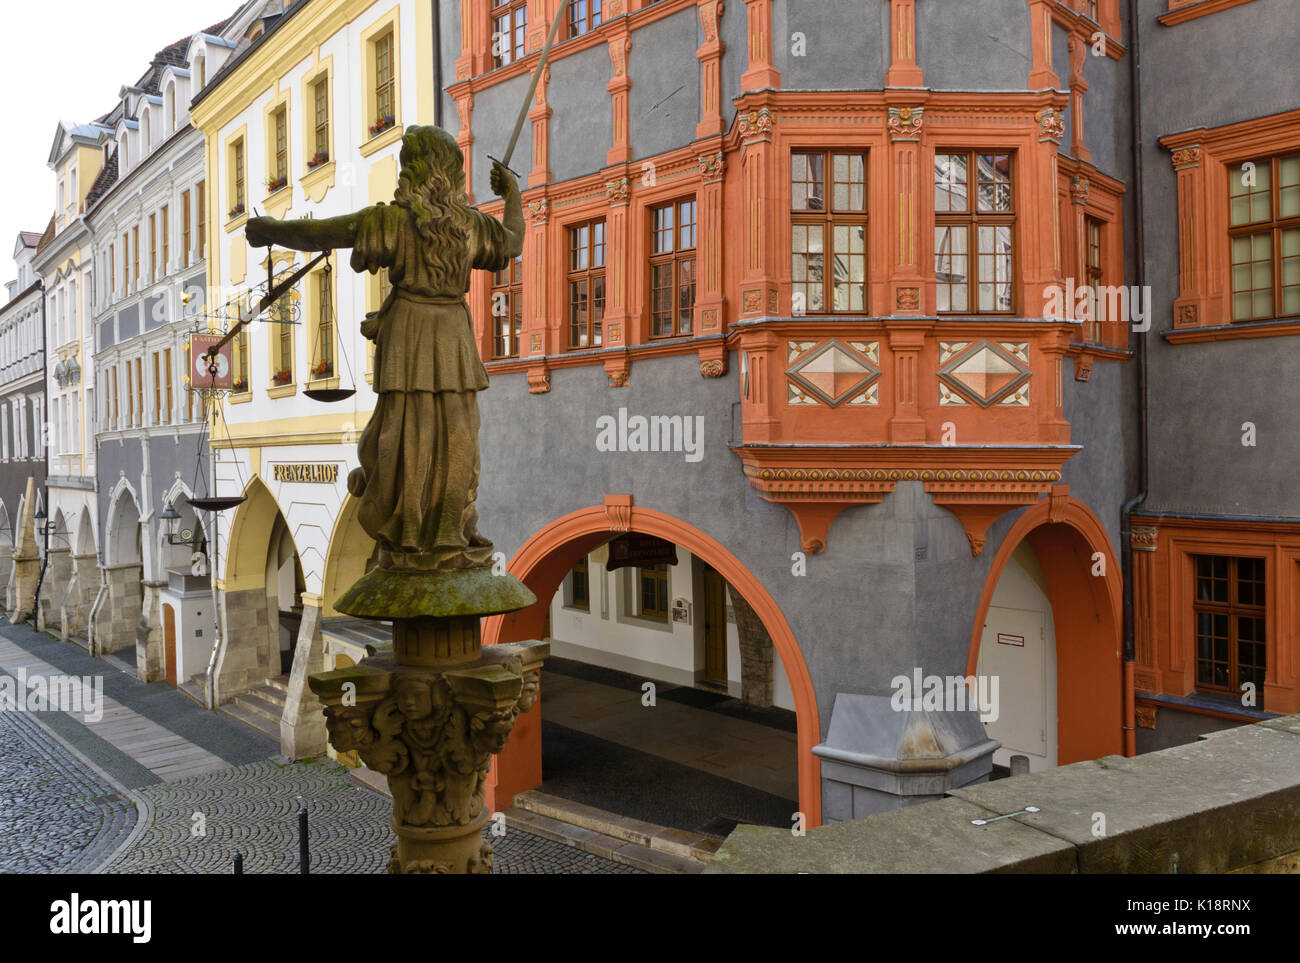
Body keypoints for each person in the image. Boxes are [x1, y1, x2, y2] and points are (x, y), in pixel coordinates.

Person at [246, 125, 523, 572]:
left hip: (413, 333)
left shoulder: (394, 221)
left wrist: (273, 230)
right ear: (451, 173)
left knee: (406, 430)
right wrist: (513, 193)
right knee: (458, 431)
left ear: (414, 170)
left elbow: (325, 234)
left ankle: (410, 529)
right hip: (452, 331)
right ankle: (451, 527)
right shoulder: (470, 225)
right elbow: (512, 241)